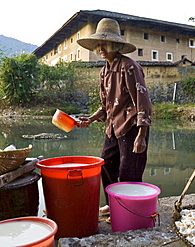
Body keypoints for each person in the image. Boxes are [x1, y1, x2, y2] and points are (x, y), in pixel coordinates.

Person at [77, 18, 152, 214]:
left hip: (132, 127)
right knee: (105, 164)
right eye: (98, 44)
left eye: (104, 43)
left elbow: (142, 102)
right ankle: (113, 205)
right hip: (113, 127)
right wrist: (91, 119)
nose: (100, 48)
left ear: (115, 44)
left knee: (129, 172)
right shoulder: (104, 71)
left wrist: (142, 136)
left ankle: (128, 211)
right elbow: (106, 106)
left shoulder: (129, 66)